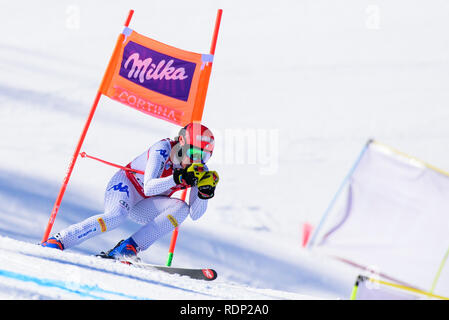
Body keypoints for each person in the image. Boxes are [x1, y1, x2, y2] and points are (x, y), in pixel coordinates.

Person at [41, 122, 219, 261]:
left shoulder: (198, 169)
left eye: (204, 156)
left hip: (145, 204)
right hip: (126, 186)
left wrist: (204, 194)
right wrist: (177, 178)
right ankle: (59, 240)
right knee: (115, 217)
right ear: (182, 143)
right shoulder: (163, 149)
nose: (198, 160)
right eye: (194, 152)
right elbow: (149, 187)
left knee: (181, 208)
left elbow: (195, 214)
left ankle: (128, 248)